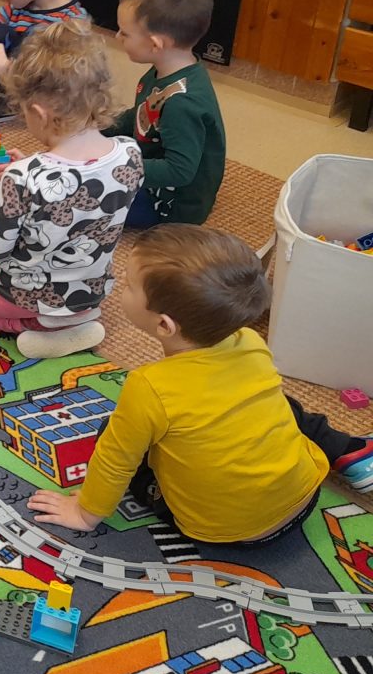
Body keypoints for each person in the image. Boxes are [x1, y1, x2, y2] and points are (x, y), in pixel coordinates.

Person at [29, 225, 373, 541]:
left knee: (113, 434)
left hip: (227, 532)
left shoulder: (148, 386)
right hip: (305, 496)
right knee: (281, 405)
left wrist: (86, 513)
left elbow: (115, 461)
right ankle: (347, 449)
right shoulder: (251, 342)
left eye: (130, 285)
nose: (120, 282)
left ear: (164, 326)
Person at [0, 20, 144, 359]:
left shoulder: (23, 177)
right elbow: (83, 194)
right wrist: (34, 169)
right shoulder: (129, 153)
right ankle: (74, 319)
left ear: (38, 113)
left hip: (25, 294)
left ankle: (31, 325)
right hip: (89, 290)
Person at [105, 0, 226, 226]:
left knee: (89, 194)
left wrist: (118, 166)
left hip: (171, 207)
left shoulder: (181, 103)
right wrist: (102, 129)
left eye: (124, 33)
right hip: (152, 158)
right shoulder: (166, 69)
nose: (117, 37)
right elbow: (142, 115)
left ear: (156, 44)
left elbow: (179, 170)